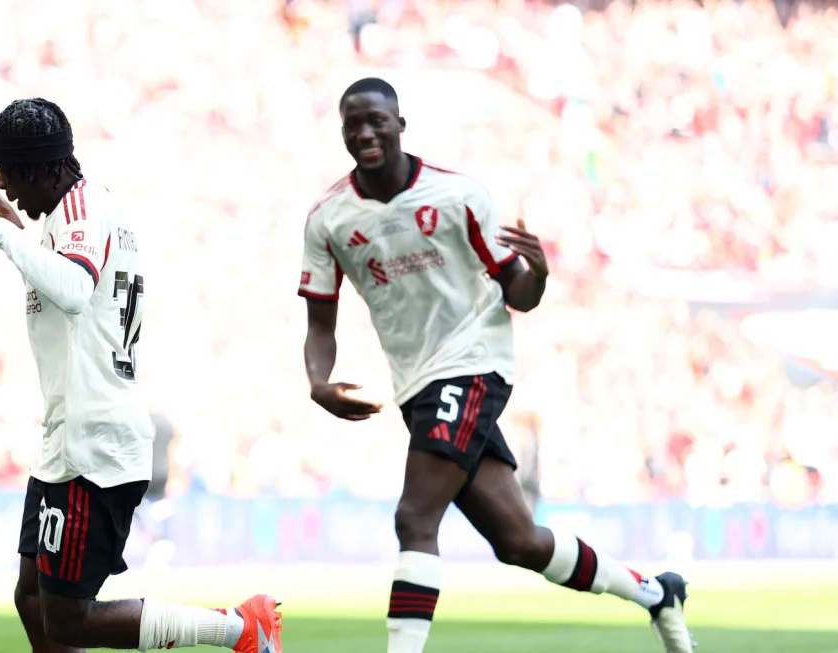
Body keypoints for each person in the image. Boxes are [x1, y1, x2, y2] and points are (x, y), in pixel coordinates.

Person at [296, 78, 694, 653]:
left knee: (415, 518)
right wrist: (317, 382)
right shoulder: (329, 219)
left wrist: (541, 273)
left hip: (473, 362)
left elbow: (520, 293)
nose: (365, 133)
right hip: (416, 383)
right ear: (342, 134)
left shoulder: (457, 196)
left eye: (376, 121)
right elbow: (319, 322)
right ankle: (657, 594)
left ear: (400, 125)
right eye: (353, 125)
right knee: (520, 541)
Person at [0, 98, 282, 653]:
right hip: (66, 441)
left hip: (93, 446)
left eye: (13, 174)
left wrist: (3, 235)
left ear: (48, 169)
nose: (5, 186)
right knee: (31, 600)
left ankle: (242, 628)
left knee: (69, 621)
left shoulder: (83, 207)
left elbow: (74, 290)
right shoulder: (71, 215)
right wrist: (17, 231)